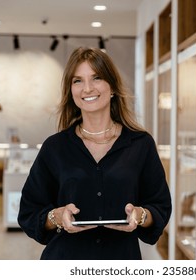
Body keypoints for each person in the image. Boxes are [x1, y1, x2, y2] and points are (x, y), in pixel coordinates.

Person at [17, 47, 172, 260]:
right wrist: (57, 216)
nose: (87, 88)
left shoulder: (140, 144)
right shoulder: (55, 147)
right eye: (77, 80)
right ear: (71, 91)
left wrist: (140, 215)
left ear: (113, 87)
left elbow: (160, 206)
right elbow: (29, 211)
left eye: (97, 78)